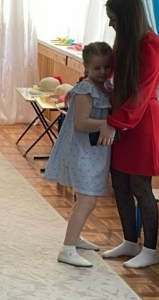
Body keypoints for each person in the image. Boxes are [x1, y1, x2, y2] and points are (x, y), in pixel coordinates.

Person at [96, 0, 159, 269]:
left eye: (113, 18)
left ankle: (151, 249)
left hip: (141, 122)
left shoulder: (151, 45)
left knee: (140, 186)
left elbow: (141, 93)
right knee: (120, 184)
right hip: (122, 119)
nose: (110, 24)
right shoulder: (126, 41)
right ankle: (130, 241)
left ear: (126, 17)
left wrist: (115, 123)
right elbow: (107, 71)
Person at [43, 42, 114, 267]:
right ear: (86, 66)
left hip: (93, 153)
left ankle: (75, 237)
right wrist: (107, 124)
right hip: (82, 152)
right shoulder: (86, 90)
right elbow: (81, 122)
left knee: (82, 198)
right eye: (96, 68)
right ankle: (67, 248)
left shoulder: (106, 87)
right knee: (87, 200)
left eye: (106, 67)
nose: (102, 72)